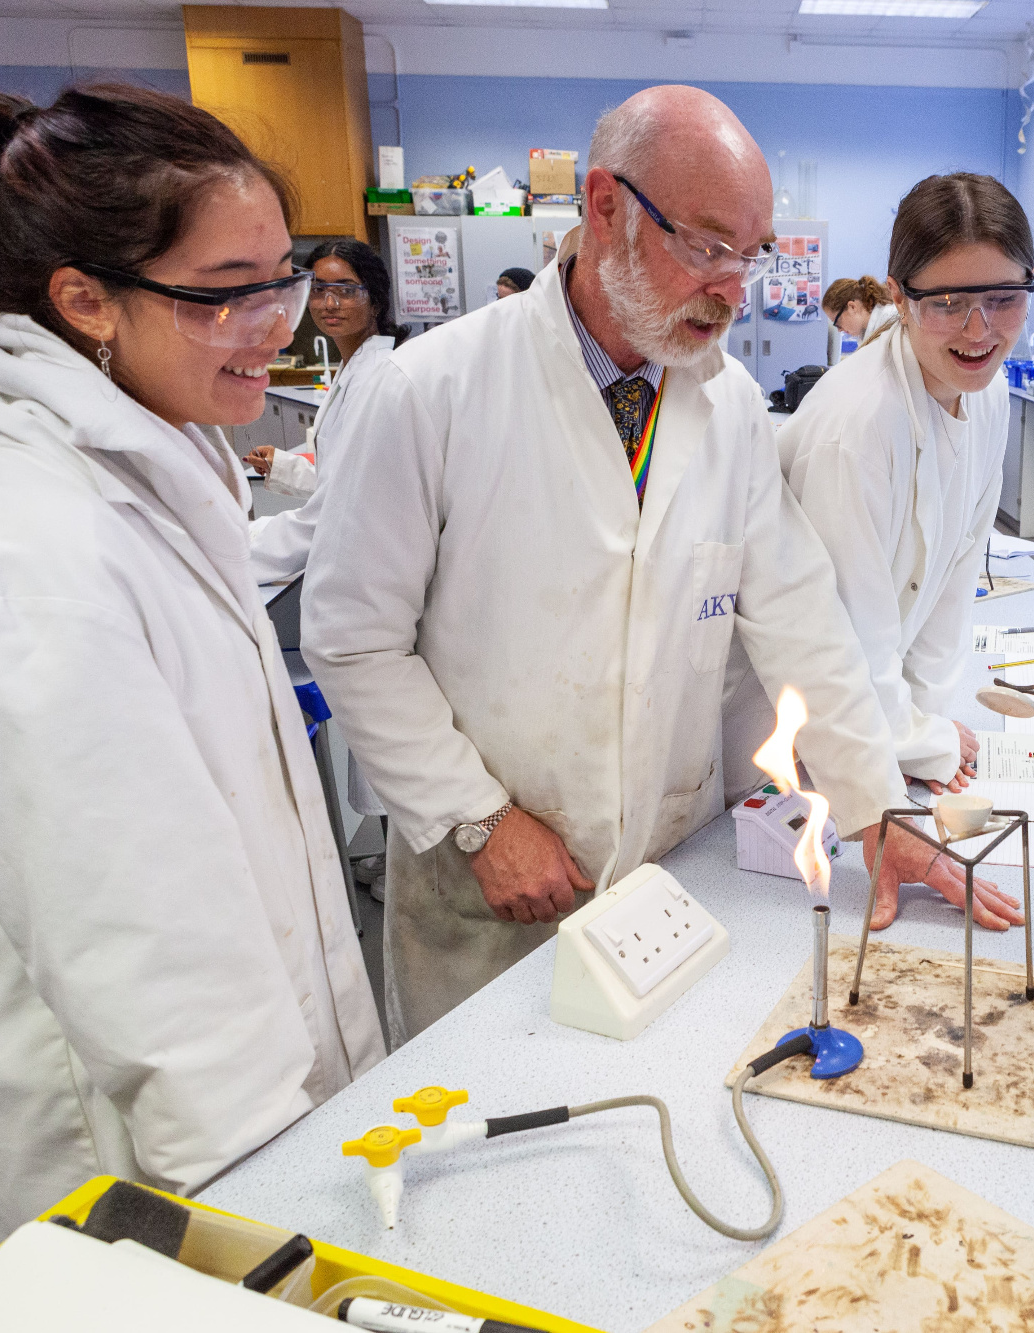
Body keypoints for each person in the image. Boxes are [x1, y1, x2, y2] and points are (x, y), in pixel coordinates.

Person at [303, 85, 994, 1043]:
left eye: (749, 256)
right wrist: (478, 821)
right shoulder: (434, 390)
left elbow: (802, 619)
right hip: (488, 885)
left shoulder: (732, 407)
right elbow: (350, 641)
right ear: (604, 207)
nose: (732, 289)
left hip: (667, 880)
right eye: (707, 246)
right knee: (488, 1153)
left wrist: (877, 811)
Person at [0, 86, 384, 1235]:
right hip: (170, 1171)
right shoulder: (31, 565)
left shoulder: (148, 474)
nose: (278, 324)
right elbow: (157, 978)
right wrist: (279, 1240)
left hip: (264, 1119)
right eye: (226, 294)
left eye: (283, 276)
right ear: (84, 299)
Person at [738, 174, 1034, 932]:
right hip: (804, 733)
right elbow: (846, 633)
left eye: (1003, 297)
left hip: (879, 738)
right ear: (900, 298)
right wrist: (911, 746)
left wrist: (926, 734)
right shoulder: (857, 425)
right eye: (946, 303)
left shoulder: (988, 389)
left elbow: (954, 575)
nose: (979, 329)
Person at [246, 238, 407, 581]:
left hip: (373, 566)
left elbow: (341, 508)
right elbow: (345, 481)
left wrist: (236, 562)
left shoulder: (377, 379)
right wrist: (286, 468)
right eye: (318, 290)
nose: (329, 303)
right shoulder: (355, 367)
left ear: (375, 300)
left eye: (346, 291)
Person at [821, 274, 898, 349]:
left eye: (837, 323)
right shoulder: (868, 331)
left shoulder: (890, 320)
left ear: (852, 307)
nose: (839, 330)